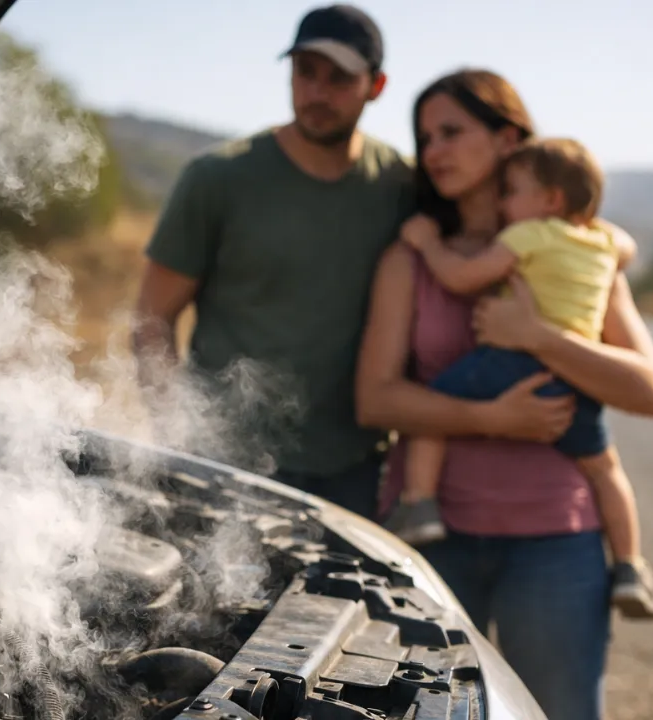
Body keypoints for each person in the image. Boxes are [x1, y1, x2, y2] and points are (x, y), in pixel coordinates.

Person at [130, 5, 571, 518]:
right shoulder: (215, 179)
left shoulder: (402, 186)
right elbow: (151, 321)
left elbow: (497, 224)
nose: (317, 92)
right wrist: (177, 439)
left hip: (355, 474)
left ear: (376, 85)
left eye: (339, 78)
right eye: (305, 73)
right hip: (227, 466)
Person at [354, 68, 653, 720]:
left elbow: (650, 392)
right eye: (424, 136)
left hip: (556, 545)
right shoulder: (411, 258)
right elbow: (375, 401)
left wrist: (538, 337)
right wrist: (493, 418)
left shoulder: (581, 252)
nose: (432, 150)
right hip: (434, 540)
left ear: (508, 139)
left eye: (451, 132)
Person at [388, 136, 653, 621]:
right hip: (576, 383)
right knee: (603, 469)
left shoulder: (527, 235)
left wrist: (428, 243)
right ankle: (629, 566)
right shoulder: (601, 241)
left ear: (549, 201)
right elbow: (627, 244)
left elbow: (460, 278)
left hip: (514, 365)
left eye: (512, 191)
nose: (503, 201)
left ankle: (419, 505)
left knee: (432, 408)